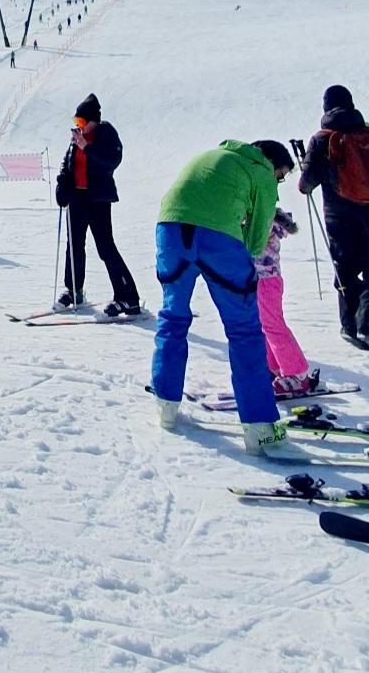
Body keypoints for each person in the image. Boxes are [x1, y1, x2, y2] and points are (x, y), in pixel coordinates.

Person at [148, 139, 293, 451]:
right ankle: (260, 426)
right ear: (270, 161)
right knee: (244, 330)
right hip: (218, 239)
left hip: (170, 228)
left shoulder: (211, 155)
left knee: (173, 316)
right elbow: (256, 240)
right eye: (281, 175)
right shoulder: (260, 170)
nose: (278, 182)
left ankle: (166, 406)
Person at [298, 85, 369, 353]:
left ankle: (349, 325)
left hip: (340, 216)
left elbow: (306, 184)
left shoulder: (322, 139)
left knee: (345, 268)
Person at [54, 93, 141, 315]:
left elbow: (112, 160)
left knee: (105, 247)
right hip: (78, 198)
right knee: (74, 245)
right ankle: (74, 290)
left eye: (82, 122)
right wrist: (63, 182)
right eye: (76, 123)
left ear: (93, 121)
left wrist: (87, 148)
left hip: (98, 198)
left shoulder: (105, 132)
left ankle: (127, 297)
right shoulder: (78, 138)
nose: (78, 127)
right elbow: (68, 161)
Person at [254, 207, 320, 398]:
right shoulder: (261, 214)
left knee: (272, 325)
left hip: (266, 280)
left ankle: (297, 374)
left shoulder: (263, 218)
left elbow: (253, 244)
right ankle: (274, 367)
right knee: (264, 325)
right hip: (259, 279)